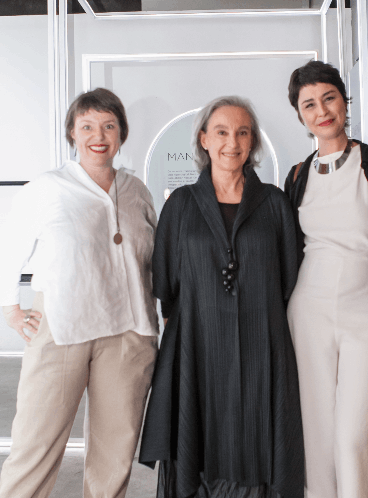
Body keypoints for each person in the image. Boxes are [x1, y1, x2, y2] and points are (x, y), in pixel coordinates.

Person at [0, 88, 159, 498]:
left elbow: (155, 259)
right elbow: (10, 247)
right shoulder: (48, 187)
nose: (98, 136)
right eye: (87, 126)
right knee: (35, 443)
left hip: (129, 333)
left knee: (115, 453)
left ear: (121, 133)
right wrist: (11, 309)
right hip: (63, 328)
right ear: (72, 133)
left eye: (108, 126)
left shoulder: (137, 191)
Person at [139, 96, 304, 498]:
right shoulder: (180, 204)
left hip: (263, 346)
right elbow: (165, 283)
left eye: (243, 133)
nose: (233, 142)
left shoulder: (275, 204)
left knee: (259, 436)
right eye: (222, 132)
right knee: (198, 437)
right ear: (204, 140)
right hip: (197, 343)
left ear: (253, 142)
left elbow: (290, 279)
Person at [284, 60, 368, 498]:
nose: (322, 111)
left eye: (328, 98)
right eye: (309, 104)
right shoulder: (297, 176)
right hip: (307, 315)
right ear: (300, 116)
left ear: (345, 101)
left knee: (354, 438)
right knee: (317, 438)